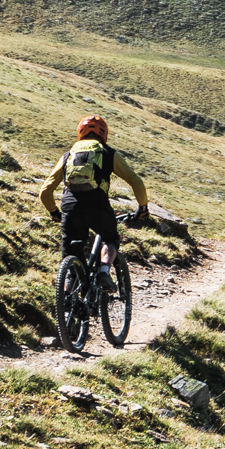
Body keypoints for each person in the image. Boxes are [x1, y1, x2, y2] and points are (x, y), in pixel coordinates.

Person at [39, 113, 149, 328]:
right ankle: (104, 271)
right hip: (98, 205)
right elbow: (136, 181)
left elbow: (45, 191)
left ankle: (66, 308)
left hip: (70, 206)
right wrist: (142, 207)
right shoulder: (108, 153)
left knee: (71, 257)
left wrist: (54, 212)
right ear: (104, 134)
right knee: (109, 238)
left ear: (80, 133)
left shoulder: (68, 155)